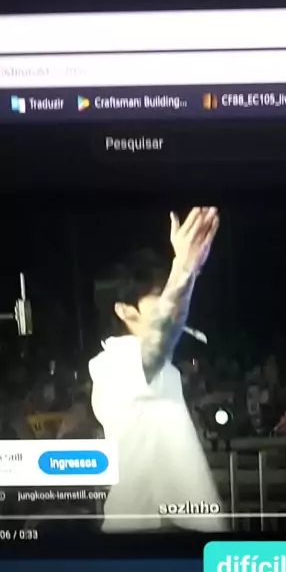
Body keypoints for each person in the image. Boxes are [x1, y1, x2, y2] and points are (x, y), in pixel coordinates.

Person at [89, 207, 228, 533]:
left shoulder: (154, 365)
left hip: (169, 530)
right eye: (158, 294)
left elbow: (167, 327)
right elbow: (164, 330)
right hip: (148, 532)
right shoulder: (117, 363)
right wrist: (184, 268)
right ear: (125, 310)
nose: (169, 298)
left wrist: (189, 272)